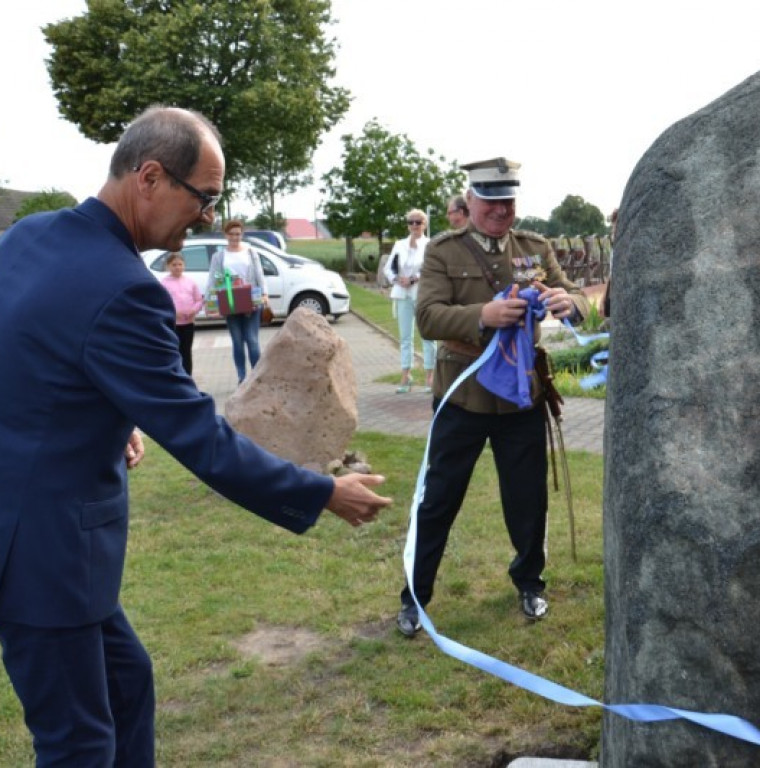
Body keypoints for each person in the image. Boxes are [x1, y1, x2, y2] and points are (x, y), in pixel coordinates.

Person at [0, 105, 392, 766]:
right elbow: (203, 438)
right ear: (149, 177)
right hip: (44, 552)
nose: (208, 216)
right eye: (203, 197)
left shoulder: (30, 236)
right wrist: (321, 491)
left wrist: (100, 416)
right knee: (78, 743)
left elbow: (36, 351)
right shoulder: (128, 291)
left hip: (41, 539)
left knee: (128, 688)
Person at [396, 158, 590, 637]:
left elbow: (573, 293)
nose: (501, 211)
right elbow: (429, 317)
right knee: (438, 500)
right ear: (471, 201)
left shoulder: (534, 247)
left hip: (521, 397)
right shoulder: (443, 251)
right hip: (463, 396)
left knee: (527, 499)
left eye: (508, 201)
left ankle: (530, 584)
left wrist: (572, 305)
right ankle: (414, 597)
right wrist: (484, 313)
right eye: (490, 201)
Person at [381, 208, 436, 393]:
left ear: (424, 225)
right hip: (402, 294)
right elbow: (388, 269)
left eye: (418, 222)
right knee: (405, 338)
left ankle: (430, 377)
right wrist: (397, 279)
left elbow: (431, 268)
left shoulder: (429, 244)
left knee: (428, 336)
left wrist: (413, 279)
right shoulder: (399, 244)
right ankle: (406, 376)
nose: (414, 225)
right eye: (411, 222)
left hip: (421, 294)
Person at [207, 218, 267, 383]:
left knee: (252, 340)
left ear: (242, 234)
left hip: (251, 301)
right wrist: (210, 302)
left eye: (238, 234)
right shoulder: (219, 256)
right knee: (237, 341)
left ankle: (257, 376)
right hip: (230, 302)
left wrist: (265, 294)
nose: (235, 237)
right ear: (226, 235)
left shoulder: (250, 252)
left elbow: (259, 274)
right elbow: (213, 279)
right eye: (231, 234)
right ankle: (242, 376)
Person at [160, 251, 204, 374]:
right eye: (174, 265)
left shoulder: (190, 282)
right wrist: (174, 312)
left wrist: (193, 310)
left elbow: (199, 300)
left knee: (187, 351)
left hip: (189, 323)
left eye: (180, 264)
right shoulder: (164, 283)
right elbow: (162, 303)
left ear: (184, 265)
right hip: (173, 324)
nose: (177, 267)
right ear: (168, 266)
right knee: (175, 351)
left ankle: (188, 377)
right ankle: (176, 376)